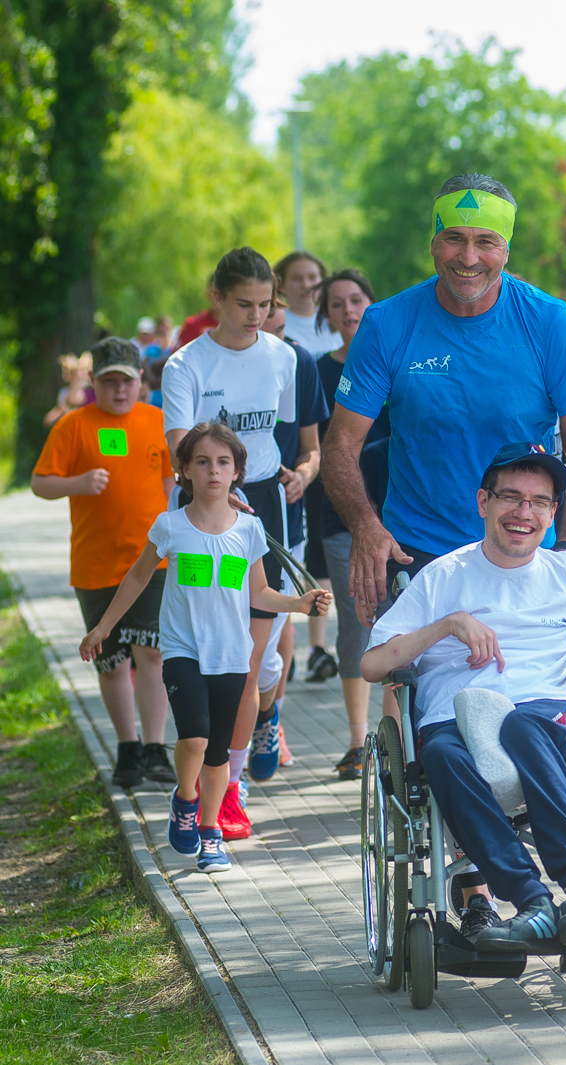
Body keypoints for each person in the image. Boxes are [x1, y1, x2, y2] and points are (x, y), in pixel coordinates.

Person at [362, 442, 566, 950]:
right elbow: (372, 663)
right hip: (456, 718)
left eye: (539, 502)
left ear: (553, 512)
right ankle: (533, 902)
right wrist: (447, 625)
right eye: (511, 498)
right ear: (483, 502)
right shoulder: (443, 576)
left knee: (519, 725)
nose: (524, 513)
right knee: (443, 753)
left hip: (543, 709)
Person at [322, 173, 566, 628]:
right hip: (417, 555)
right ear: (433, 242)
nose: (469, 257)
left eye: (486, 242)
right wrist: (364, 526)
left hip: (524, 554)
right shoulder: (386, 324)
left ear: (507, 250)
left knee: (530, 694)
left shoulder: (549, 322)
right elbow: (339, 444)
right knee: (423, 696)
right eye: (454, 238)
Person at [79, 423, 330, 873]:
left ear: (237, 473)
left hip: (232, 654)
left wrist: (300, 603)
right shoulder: (170, 525)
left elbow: (259, 594)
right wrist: (103, 627)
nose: (213, 470)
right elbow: (137, 577)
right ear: (185, 471)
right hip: (182, 650)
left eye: (223, 462)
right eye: (202, 461)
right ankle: (185, 797)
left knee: (217, 751)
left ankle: (210, 830)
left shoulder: (251, 530)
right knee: (194, 738)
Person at [161, 246, 318, 839]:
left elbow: (285, 436)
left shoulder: (284, 358)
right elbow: (183, 450)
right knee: (214, 658)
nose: (256, 316)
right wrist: (219, 492)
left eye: (265, 305)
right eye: (244, 305)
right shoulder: (185, 366)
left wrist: (298, 471)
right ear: (217, 298)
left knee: (250, 664)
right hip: (205, 511)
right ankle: (201, 781)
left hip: (263, 507)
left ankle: (230, 791)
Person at [32, 337, 176, 788]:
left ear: (141, 385)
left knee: (152, 652)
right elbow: (40, 483)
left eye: (126, 382)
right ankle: (127, 748)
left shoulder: (158, 421)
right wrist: (76, 482)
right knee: (110, 659)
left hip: (153, 563)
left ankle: (156, 747)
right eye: (109, 382)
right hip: (96, 564)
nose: (119, 391)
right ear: (93, 383)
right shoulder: (74, 425)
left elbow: (173, 478)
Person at [310, 269, 390, 778]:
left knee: (403, 622)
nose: (348, 311)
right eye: (336, 304)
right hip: (340, 515)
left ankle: (403, 738)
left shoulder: (395, 358)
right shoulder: (317, 371)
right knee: (356, 621)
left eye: (356, 300)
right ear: (326, 315)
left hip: (400, 510)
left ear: (371, 304)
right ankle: (359, 741)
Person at [257, 295, 331, 770]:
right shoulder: (213, 364)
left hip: (283, 513)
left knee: (278, 622)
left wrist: (302, 476)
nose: (278, 340)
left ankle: (270, 718)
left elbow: (313, 449)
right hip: (229, 511)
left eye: (284, 329)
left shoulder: (298, 362)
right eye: (269, 328)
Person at [273, 251, 342, 356]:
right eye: (297, 279)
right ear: (281, 284)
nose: (306, 285)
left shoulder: (337, 317)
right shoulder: (274, 323)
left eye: (312, 277)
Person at [45, 353, 94, 427]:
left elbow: (72, 399)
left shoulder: (85, 388)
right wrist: (53, 415)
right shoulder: (64, 391)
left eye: (67, 372)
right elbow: (61, 408)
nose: (64, 375)